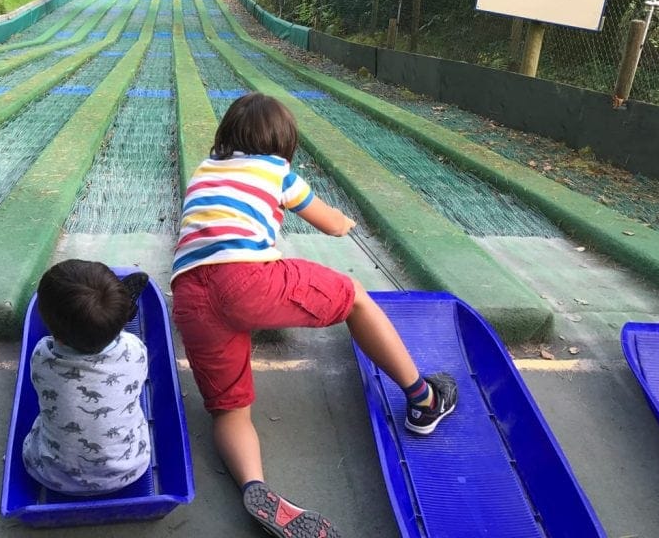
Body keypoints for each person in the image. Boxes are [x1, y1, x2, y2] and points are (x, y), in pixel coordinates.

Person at [171, 93, 458, 538]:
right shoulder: (275, 169)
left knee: (229, 410)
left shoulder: (206, 170)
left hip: (189, 294)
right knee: (356, 297)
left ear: (226, 136)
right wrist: (342, 222)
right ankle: (423, 399)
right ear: (281, 144)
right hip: (247, 280)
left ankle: (255, 486)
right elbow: (326, 221)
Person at [23, 260, 152, 494]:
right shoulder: (135, 349)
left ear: (53, 332)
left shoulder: (43, 356)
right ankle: (110, 316)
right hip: (130, 469)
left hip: (50, 475)